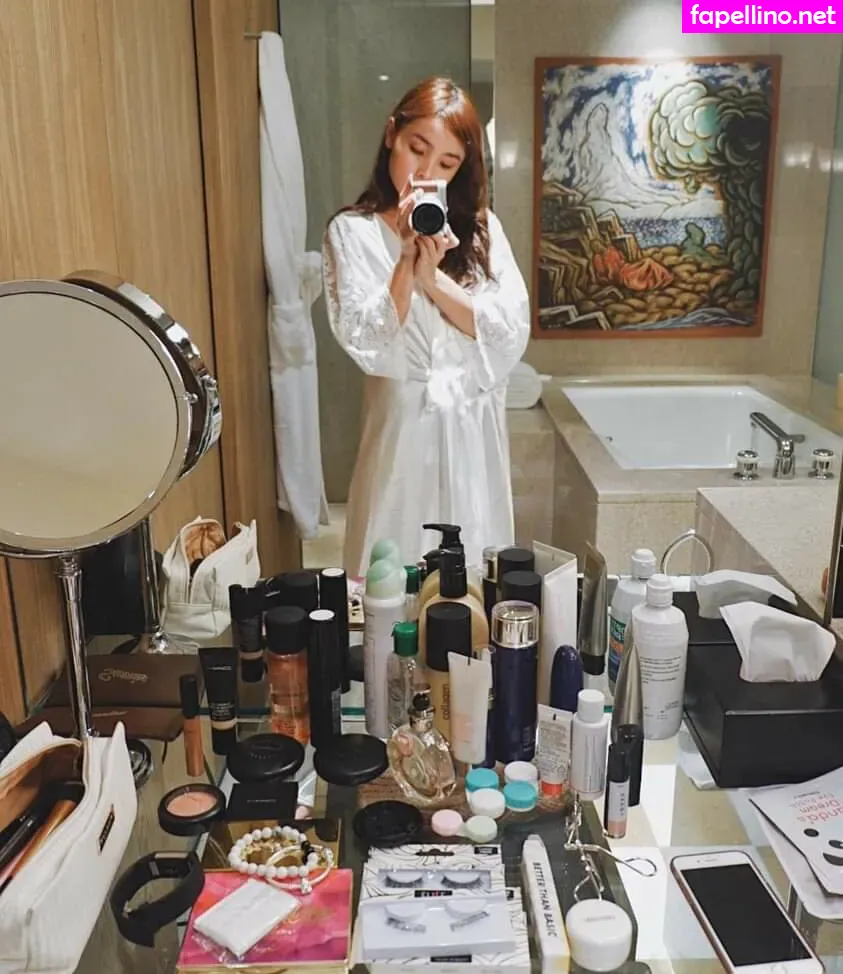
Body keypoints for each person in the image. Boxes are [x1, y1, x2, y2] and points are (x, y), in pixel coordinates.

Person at [322, 77, 529, 578]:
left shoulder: (481, 229)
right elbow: (366, 338)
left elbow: (506, 332)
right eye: (418, 149)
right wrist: (405, 260)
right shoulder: (351, 233)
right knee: (390, 575)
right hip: (402, 429)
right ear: (392, 133)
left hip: (473, 430)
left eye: (447, 163)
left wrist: (431, 279)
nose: (426, 172)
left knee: (472, 580)